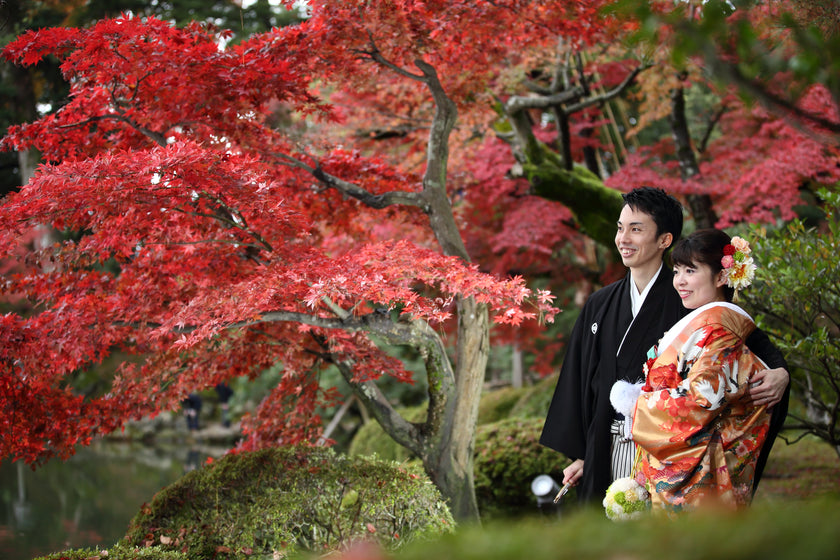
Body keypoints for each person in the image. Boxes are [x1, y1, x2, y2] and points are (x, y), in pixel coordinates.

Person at [539, 187, 788, 505]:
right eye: (620, 228)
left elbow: (754, 347)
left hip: (672, 455)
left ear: (664, 240)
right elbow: (581, 379)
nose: (623, 239)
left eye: (636, 229)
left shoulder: (693, 300)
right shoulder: (600, 303)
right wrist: (583, 454)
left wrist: (780, 373)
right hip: (607, 444)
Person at [621, 229, 780, 511]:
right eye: (677, 271)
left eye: (690, 271)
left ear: (721, 277)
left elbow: (700, 399)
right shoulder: (705, 322)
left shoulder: (720, 331)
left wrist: (638, 405)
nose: (680, 281)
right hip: (685, 461)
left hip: (701, 470)